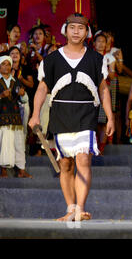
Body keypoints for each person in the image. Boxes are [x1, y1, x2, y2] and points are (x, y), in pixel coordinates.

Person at [28, 13, 114, 222]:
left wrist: (110, 117)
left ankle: (80, 209)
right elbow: (41, 88)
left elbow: (103, 89)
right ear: (65, 30)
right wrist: (35, 114)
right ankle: (71, 207)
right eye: (72, 27)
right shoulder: (51, 60)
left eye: (81, 28)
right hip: (61, 115)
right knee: (65, 164)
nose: (76, 31)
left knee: (83, 158)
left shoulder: (96, 59)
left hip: (86, 115)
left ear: (87, 32)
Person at [0, 55, 32, 178]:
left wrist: (23, 95)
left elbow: (24, 100)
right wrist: (2, 95)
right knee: (4, 143)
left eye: (8, 64)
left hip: (15, 117)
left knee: (19, 144)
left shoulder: (16, 81)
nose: (6, 66)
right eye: (4, 64)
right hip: (2, 117)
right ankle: (3, 170)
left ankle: (21, 170)